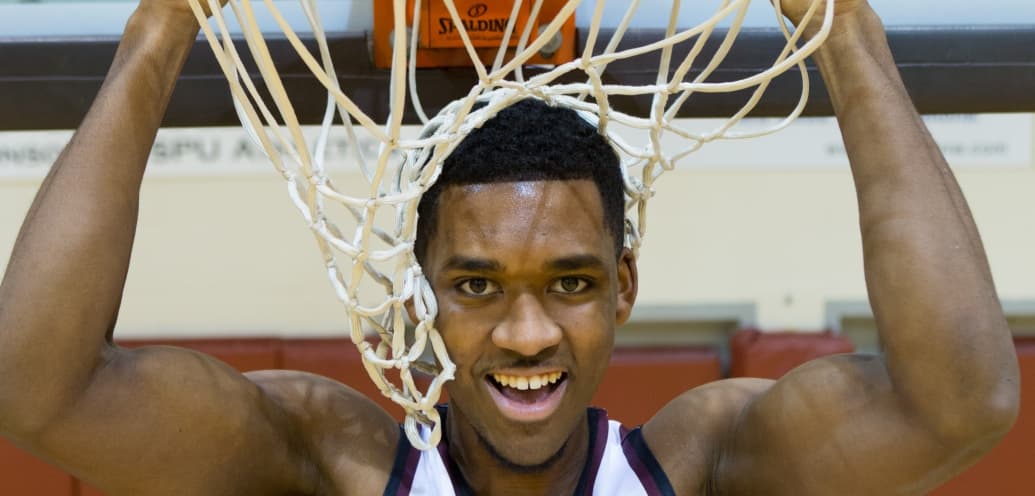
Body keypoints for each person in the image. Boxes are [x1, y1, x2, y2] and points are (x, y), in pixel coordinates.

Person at [0, 0, 1020, 494]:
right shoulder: (328, 462)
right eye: (477, 284)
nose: (527, 330)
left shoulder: (706, 465)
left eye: (569, 281)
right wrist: (160, 35)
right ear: (423, 296)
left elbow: (961, 401)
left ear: (624, 283)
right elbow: (39, 392)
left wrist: (842, 33)